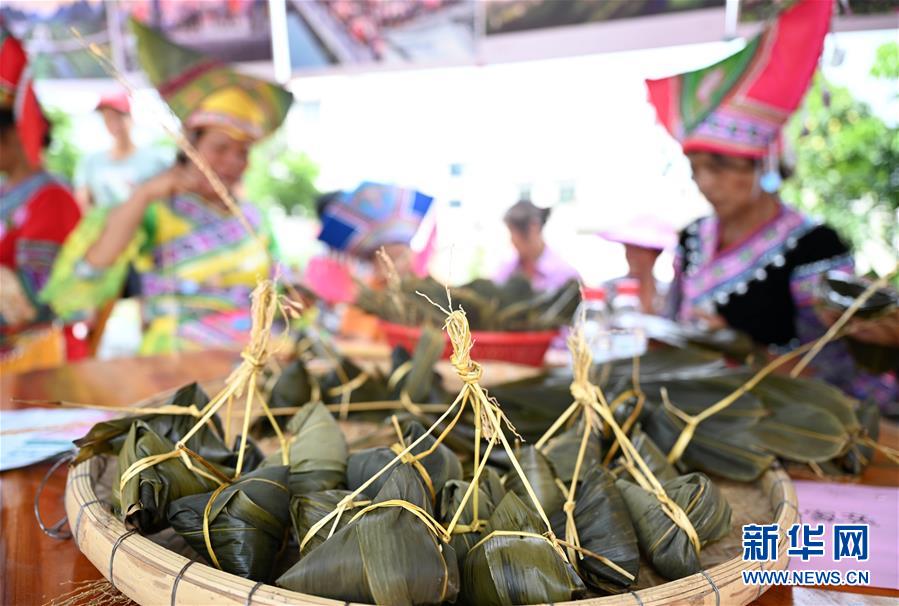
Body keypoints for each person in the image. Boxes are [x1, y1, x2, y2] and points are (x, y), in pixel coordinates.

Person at [649, 0, 896, 408]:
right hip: (692, 408)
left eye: (720, 167)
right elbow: (673, 323)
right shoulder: (693, 236)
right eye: (696, 168)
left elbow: (831, 365)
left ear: (762, 161)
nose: (706, 183)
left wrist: (740, 350)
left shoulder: (815, 245)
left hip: (780, 419)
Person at [40, 19, 293, 354]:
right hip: (176, 367)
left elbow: (283, 290)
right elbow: (91, 269)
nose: (233, 162)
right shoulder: (157, 209)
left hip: (254, 360)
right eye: (220, 148)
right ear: (190, 146)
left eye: (242, 152)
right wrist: (145, 195)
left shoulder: (253, 218)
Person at [0, 26, 84, 361]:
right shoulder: (9, 192)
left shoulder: (52, 199)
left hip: (36, 354)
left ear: (15, 137)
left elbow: (35, 296)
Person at [74, 93, 170, 210]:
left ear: (131, 117)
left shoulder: (157, 160)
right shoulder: (91, 162)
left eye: (118, 117)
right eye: (108, 118)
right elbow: (82, 203)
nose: (114, 124)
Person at [597, 215, 676, 314]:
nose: (632, 256)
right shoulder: (608, 289)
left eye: (640, 251)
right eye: (629, 249)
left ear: (655, 254)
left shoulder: (668, 293)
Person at [495, 199, 579, 291]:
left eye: (512, 233)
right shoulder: (507, 270)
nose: (511, 241)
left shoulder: (564, 275)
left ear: (533, 227)